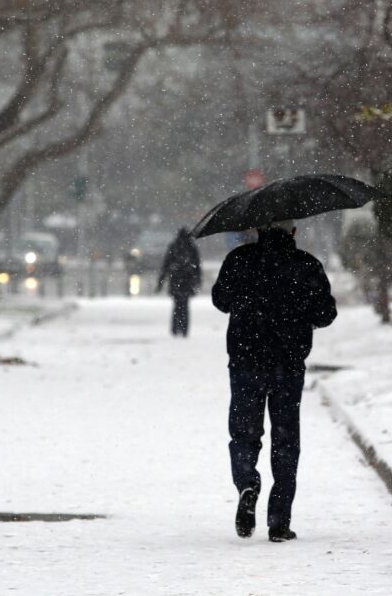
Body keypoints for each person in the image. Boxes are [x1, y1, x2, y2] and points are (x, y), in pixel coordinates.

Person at [211, 219, 336, 542]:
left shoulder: (239, 260)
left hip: (245, 361)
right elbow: (326, 313)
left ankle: (247, 483)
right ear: (293, 231)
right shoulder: (306, 265)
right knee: (285, 440)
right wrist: (299, 312)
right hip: (288, 364)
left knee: (243, 433)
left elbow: (220, 300)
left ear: (258, 229)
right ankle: (279, 521)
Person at [156, 228, 202, 336]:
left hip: (176, 280)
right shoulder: (191, 247)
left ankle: (175, 328)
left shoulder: (174, 246)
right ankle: (184, 328)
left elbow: (165, 265)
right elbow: (197, 266)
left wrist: (161, 282)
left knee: (177, 305)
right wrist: (197, 280)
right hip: (187, 281)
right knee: (185, 306)